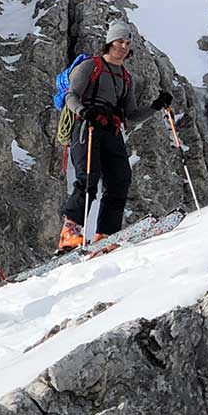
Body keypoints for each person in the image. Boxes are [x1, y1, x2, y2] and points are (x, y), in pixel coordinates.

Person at [59, 20, 171, 250]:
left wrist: (156, 106)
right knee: (88, 178)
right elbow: (71, 96)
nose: (124, 46)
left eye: (127, 42)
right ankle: (70, 233)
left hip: (111, 130)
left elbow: (130, 115)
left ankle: (106, 235)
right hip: (87, 126)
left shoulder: (125, 77)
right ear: (110, 42)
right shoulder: (91, 66)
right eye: (120, 41)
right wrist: (84, 111)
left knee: (120, 180)